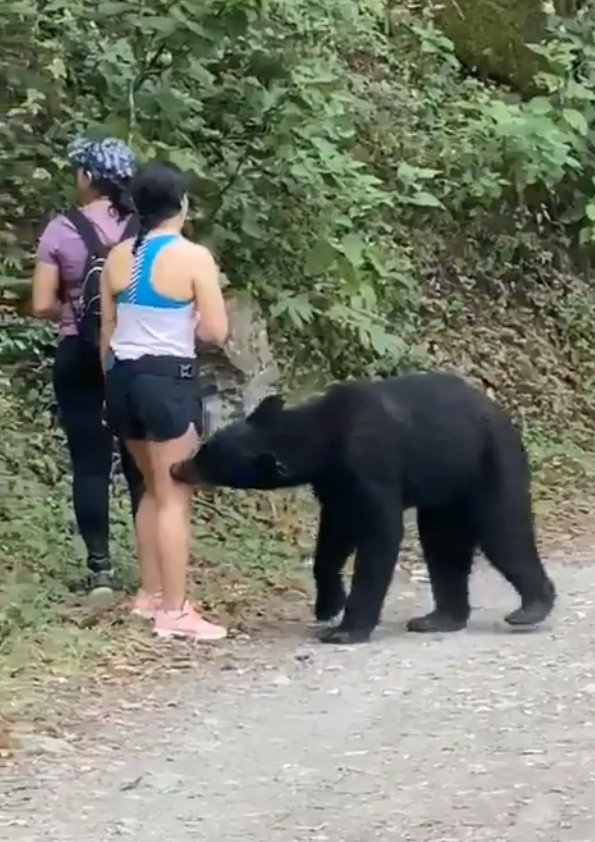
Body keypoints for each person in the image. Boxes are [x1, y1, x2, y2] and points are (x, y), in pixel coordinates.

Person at [100, 161, 229, 641]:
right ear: (183, 206)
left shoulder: (116, 258)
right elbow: (215, 330)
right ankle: (174, 612)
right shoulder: (193, 257)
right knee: (175, 495)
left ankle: (149, 595)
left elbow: (106, 333)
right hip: (166, 381)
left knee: (152, 489)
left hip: (122, 380)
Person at [32, 136, 144, 598]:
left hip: (78, 350)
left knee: (91, 464)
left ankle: (100, 569)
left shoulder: (62, 229)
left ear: (88, 177)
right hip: (136, 354)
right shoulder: (146, 227)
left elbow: (41, 304)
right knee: (142, 464)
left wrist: (72, 303)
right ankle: (155, 568)